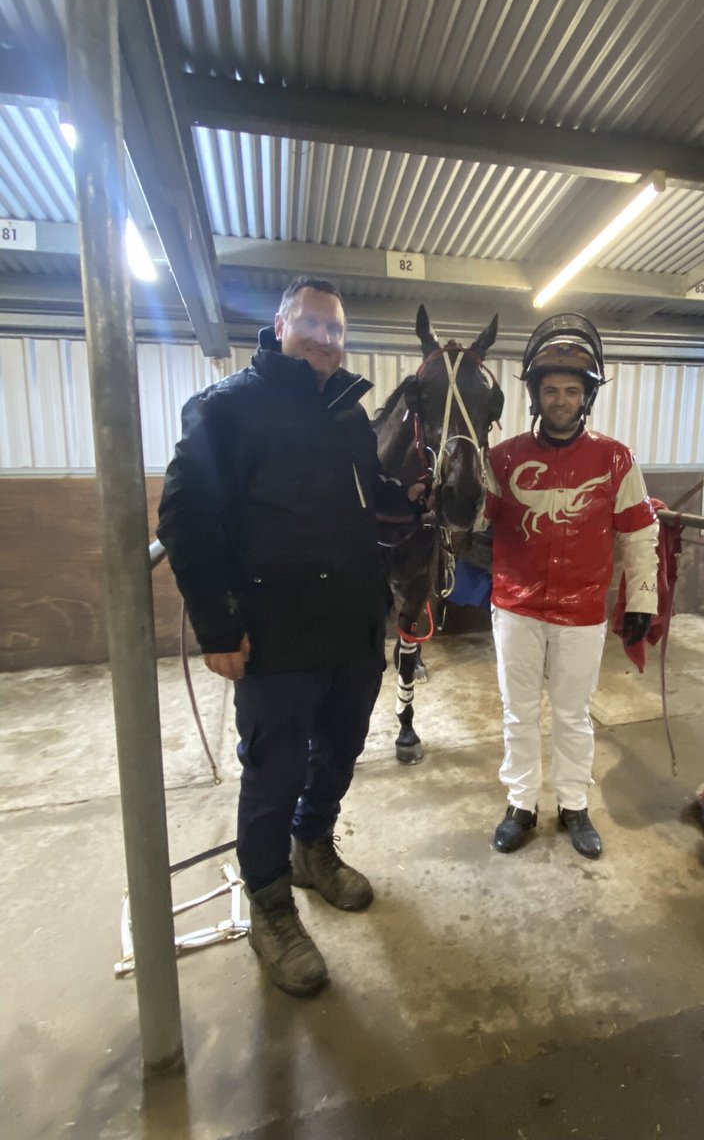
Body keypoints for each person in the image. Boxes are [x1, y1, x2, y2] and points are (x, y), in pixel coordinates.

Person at [157, 276, 425, 998]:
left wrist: (408, 499)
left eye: (335, 329)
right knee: (273, 771)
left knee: (339, 750)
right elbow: (184, 520)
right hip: (275, 634)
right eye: (310, 323)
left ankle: (313, 847)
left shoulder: (347, 414)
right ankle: (271, 904)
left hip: (353, 625)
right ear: (279, 327)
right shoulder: (226, 408)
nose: (323, 338)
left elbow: (367, 499)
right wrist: (218, 626)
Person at [484, 314, 659, 859]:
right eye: (551, 390)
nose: (561, 400)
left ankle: (574, 804)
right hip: (515, 607)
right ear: (535, 395)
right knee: (518, 711)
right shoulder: (502, 458)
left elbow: (639, 533)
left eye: (571, 391)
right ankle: (520, 803)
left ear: (586, 396)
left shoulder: (616, 458)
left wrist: (643, 599)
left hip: (582, 611)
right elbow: (472, 521)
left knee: (572, 713)